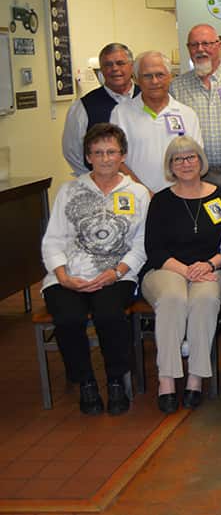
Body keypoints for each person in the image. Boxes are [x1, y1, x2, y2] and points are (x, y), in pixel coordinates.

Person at [41, 123, 149, 416]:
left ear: (122, 155)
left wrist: (116, 272)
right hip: (69, 274)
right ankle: (86, 382)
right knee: (68, 317)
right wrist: (63, 277)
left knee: (109, 315)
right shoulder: (69, 190)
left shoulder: (138, 193)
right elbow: (53, 240)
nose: (105, 158)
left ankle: (115, 380)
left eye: (111, 152)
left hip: (116, 274)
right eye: (98, 152)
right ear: (88, 156)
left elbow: (141, 244)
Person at [142, 136, 221, 412]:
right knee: (173, 298)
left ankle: (195, 377)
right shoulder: (161, 201)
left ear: (200, 160)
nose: (185, 163)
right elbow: (153, 249)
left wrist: (209, 264)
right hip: (166, 269)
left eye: (191, 157)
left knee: (204, 300)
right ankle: (166, 379)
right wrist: (185, 270)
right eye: (178, 159)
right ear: (170, 165)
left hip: (210, 268)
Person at [171, 24, 221, 195]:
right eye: (194, 45)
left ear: (219, 46)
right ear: (188, 49)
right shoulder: (176, 87)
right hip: (195, 176)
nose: (200, 49)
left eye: (206, 43)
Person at [111, 51, 203, 193]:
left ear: (170, 77)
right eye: (147, 76)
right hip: (135, 195)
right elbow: (116, 159)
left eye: (160, 75)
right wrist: (144, 192)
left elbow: (195, 161)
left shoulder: (187, 114)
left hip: (179, 195)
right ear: (136, 79)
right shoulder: (121, 113)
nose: (154, 81)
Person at [62, 42, 139, 176]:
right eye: (108, 65)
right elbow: (72, 152)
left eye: (120, 63)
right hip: (105, 187)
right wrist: (97, 180)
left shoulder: (148, 98)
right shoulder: (84, 107)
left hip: (150, 187)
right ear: (101, 70)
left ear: (132, 67)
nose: (114, 68)